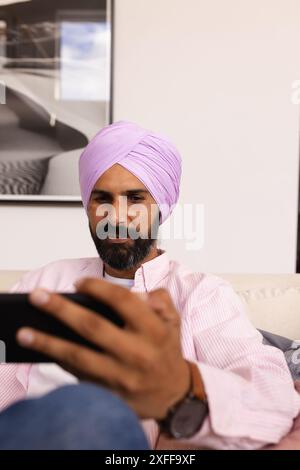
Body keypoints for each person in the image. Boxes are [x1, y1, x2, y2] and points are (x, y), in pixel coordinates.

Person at [1, 120, 299, 450]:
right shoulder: (43, 283)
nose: (117, 216)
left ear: (162, 207)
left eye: (135, 198)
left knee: (89, 407)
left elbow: (273, 399)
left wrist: (182, 387)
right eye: (102, 198)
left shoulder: (200, 295)